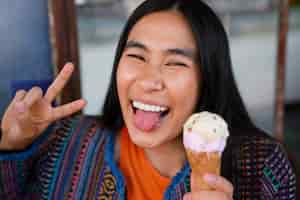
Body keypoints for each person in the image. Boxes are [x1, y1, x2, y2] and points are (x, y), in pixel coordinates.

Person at [0, 0, 296, 199]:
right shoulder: (66, 140)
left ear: (209, 76)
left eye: (175, 63)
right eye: (136, 56)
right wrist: (12, 146)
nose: (148, 80)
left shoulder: (262, 166)